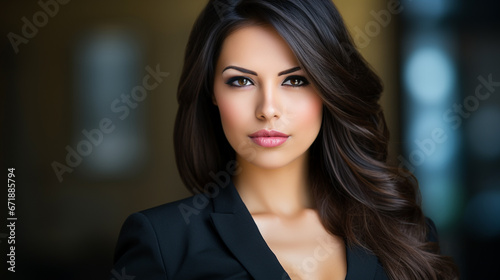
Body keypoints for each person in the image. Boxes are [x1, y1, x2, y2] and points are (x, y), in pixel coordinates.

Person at [111, 0, 459, 279]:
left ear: (329, 89)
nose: (268, 109)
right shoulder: (164, 241)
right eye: (241, 81)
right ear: (211, 92)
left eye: (295, 81)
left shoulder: (403, 232)